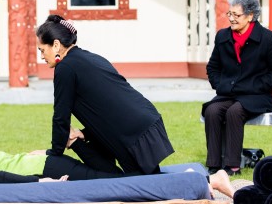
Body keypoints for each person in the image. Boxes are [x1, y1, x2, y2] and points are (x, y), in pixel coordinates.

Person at [34, 14, 175, 176]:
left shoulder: (65, 68)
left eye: (42, 50)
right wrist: (84, 133)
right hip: (145, 122)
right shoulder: (91, 57)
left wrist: (55, 152)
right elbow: (107, 106)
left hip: (130, 132)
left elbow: (61, 115)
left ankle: (199, 182)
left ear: (56, 45)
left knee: (132, 183)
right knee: (145, 179)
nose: (42, 56)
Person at [203, 0, 272, 176]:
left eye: (236, 15)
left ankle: (232, 165)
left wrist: (258, 85)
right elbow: (212, 67)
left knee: (234, 112)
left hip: (256, 97)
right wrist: (220, 85)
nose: (231, 18)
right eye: (230, 14)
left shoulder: (266, 38)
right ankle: (214, 165)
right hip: (228, 94)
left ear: (250, 16)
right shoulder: (223, 37)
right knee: (212, 110)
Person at [0, 150, 235, 198]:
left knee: (122, 183)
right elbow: (4, 160)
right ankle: (197, 177)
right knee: (116, 177)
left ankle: (208, 181)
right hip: (48, 159)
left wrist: (39, 183)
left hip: (47, 169)